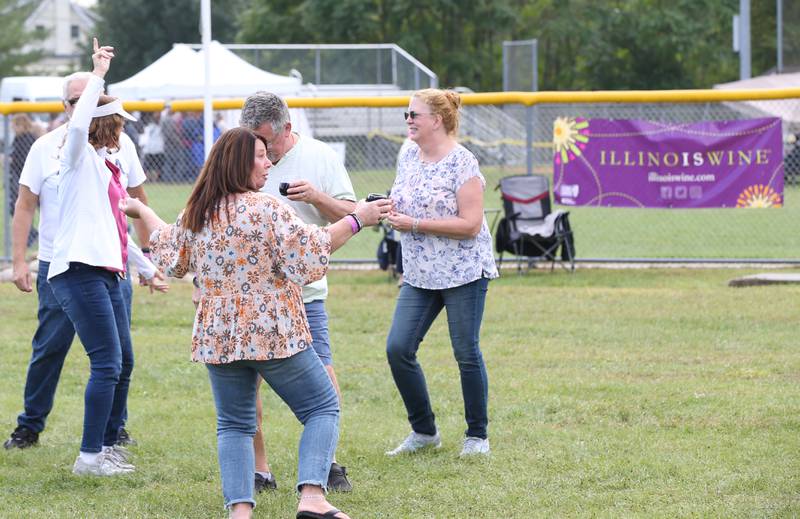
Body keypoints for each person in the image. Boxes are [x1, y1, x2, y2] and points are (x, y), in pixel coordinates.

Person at [120, 126, 391, 519]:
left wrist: (143, 211)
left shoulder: (199, 212)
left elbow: (169, 251)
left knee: (234, 424)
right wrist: (358, 218)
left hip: (217, 336)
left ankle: (240, 511)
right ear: (239, 164)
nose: (269, 163)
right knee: (323, 407)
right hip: (273, 331)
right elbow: (311, 254)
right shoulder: (266, 208)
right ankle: (313, 497)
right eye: (261, 156)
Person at [4, 63, 166, 453]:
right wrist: (20, 261)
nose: (84, 106)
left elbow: (131, 207)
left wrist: (145, 260)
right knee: (51, 348)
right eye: (77, 100)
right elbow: (25, 204)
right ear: (66, 105)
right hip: (64, 265)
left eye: (91, 98)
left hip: (111, 263)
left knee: (118, 357)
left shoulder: (118, 148)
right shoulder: (57, 147)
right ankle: (31, 426)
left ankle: (111, 433)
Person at [239, 91, 357, 492]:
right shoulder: (237, 158)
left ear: (287, 129)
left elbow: (353, 215)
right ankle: (259, 470)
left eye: (266, 141)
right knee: (246, 382)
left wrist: (317, 197)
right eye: (252, 140)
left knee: (322, 374)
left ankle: (328, 463)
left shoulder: (320, 156)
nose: (261, 152)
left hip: (304, 294)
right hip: (250, 297)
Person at [384, 88, 499, 457]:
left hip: (463, 270)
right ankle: (424, 431)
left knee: (466, 352)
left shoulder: (463, 161)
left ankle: (477, 436)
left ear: (437, 120)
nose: (408, 120)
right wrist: (385, 210)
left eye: (414, 115)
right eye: (407, 114)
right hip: (420, 273)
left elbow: (470, 223)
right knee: (398, 348)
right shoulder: (409, 157)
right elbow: (402, 200)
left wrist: (415, 223)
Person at [8, 114, 40, 245]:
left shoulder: (27, 139)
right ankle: (31, 235)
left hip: (26, 179)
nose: (13, 128)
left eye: (15, 125)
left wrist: (10, 160)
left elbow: (24, 161)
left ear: (22, 125)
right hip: (18, 178)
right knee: (14, 207)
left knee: (35, 206)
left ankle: (34, 235)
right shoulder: (18, 138)